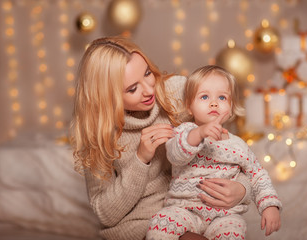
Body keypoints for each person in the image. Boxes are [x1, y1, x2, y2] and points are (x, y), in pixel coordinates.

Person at [70, 36, 251, 240]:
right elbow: (105, 214)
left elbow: (232, 154)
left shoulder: (176, 93)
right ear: (107, 96)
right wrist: (141, 159)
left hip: (195, 209)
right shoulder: (97, 134)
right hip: (140, 226)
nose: (149, 89)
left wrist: (242, 189)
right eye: (132, 89)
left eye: (147, 73)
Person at [146, 65, 282, 240]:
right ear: (189, 106)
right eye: (204, 96)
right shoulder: (184, 132)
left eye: (222, 97)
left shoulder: (238, 145)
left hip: (225, 216)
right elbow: (175, 154)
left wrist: (270, 206)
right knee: (161, 222)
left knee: (234, 232)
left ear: (231, 107)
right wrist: (200, 133)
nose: (214, 103)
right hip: (183, 208)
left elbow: (257, 175)